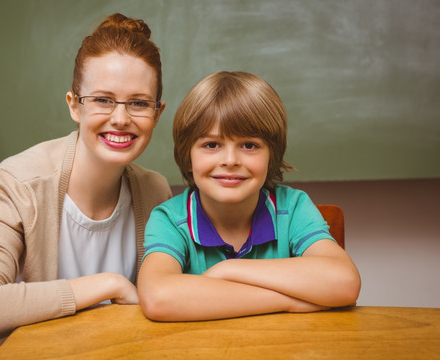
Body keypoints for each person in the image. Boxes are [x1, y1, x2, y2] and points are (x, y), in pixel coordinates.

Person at [0, 13, 171, 359]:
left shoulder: (155, 192)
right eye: (102, 99)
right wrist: (106, 284)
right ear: (74, 106)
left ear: (157, 114)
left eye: (139, 103)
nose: (121, 118)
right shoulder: (16, 184)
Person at [138, 71, 361, 321]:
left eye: (249, 145)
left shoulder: (293, 207)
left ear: (271, 156)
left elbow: (344, 283)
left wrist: (229, 269)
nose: (231, 161)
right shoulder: (170, 219)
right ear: (188, 157)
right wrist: (286, 301)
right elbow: (158, 299)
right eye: (211, 145)